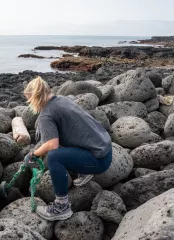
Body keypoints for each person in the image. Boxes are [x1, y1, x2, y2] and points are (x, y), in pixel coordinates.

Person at [23, 76, 112, 221]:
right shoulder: (62, 100)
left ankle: (61, 206)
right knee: (64, 139)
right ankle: (84, 171)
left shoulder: (46, 115)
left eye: (29, 100)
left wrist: (33, 154)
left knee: (54, 157)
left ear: (35, 97)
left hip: (98, 161)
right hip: (105, 150)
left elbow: (52, 145)